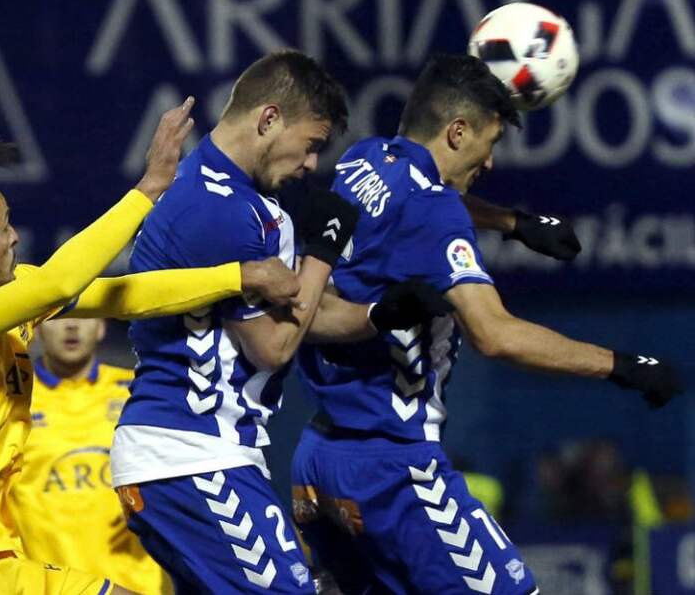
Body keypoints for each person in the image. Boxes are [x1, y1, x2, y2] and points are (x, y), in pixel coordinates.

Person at [110, 49, 571, 594]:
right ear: (269, 119)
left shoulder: (217, 190)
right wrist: (322, 253)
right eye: (310, 146)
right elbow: (277, 347)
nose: (311, 165)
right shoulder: (222, 211)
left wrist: (377, 314)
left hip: (192, 454)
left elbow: (307, 320)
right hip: (191, 454)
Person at [0, 98, 305, 595]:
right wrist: (147, 191)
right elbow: (59, 284)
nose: (15, 236)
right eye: (4, 227)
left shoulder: (3, 301)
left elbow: (125, 296)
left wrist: (238, 276)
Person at [290, 53, 683, 595]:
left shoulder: (365, 161)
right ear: (457, 131)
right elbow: (495, 334)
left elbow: (422, 197)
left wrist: (512, 222)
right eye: (489, 143)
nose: (491, 162)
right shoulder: (434, 212)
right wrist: (621, 365)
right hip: (393, 469)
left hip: (319, 458)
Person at [10, 316, 171, 594]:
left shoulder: (139, 394)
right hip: (53, 585)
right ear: (35, 328)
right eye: (58, 317)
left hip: (138, 584)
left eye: (85, 314)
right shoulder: (9, 402)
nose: (72, 325)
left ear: (101, 326)